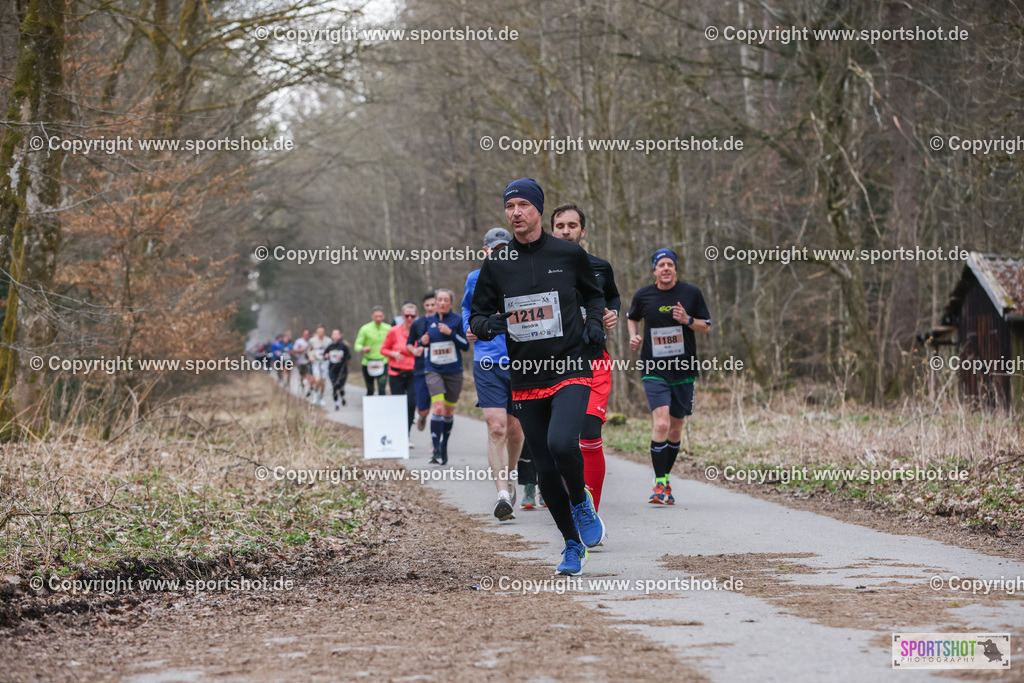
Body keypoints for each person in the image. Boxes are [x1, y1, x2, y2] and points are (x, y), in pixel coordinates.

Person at [470, 178, 606, 576]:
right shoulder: (496, 264)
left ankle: (580, 501)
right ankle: (570, 544)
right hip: (527, 375)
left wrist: (595, 323)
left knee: (562, 442)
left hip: (569, 366)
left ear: (538, 210)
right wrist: (491, 323)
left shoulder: (567, 254)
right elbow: (477, 317)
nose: (515, 213)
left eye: (523, 205)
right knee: (545, 466)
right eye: (509, 206)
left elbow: (594, 294)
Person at [626, 248, 711, 505]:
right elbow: (632, 317)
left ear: (675, 269)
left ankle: (664, 479)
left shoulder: (691, 293)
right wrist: (633, 335)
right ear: (654, 270)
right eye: (660, 264)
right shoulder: (643, 295)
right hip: (654, 369)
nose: (665, 268)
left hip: (683, 370)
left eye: (669, 264)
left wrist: (688, 319)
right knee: (661, 424)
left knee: (675, 428)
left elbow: (706, 327)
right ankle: (660, 483)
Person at [550, 203, 620, 512]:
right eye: (560, 225)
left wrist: (612, 312)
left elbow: (612, 295)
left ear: (582, 231)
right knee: (562, 443)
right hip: (555, 364)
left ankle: (590, 512)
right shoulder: (539, 268)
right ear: (552, 230)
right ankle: (571, 500)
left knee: (590, 434)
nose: (566, 231)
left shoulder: (600, 267)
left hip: (594, 361)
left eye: (572, 226)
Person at [462, 227, 525, 521]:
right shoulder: (475, 279)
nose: (499, 254)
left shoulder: (523, 275)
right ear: (484, 250)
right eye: (494, 249)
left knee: (516, 429)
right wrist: (469, 328)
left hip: (521, 361)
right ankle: (501, 493)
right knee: (497, 427)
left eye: (504, 249)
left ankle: (510, 475)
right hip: (487, 360)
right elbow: (467, 309)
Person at [420, 289, 469, 465]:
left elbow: (465, 346)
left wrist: (451, 334)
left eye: (445, 300)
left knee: (448, 411)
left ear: (450, 302)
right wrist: (421, 342)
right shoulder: (428, 321)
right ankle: (435, 450)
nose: (441, 303)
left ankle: (444, 445)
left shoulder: (457, 320)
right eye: (439, 300)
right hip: (433, 370)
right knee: (438, 408)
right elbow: (419, 342)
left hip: (454, 372)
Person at [381, 302, 418, 431]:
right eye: (406, 315)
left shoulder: (420, 331)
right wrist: (393, 353)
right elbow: (383, 349)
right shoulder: (394, 331)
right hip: (396, 373)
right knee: (398, 405)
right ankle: (398, 434)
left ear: (416, 316)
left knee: (411, 403)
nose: (409, 318)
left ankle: (406, 433)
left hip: (413, 373)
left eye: (412, 316)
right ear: (402, 316)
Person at [406, 292, 437, 431]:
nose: (430, 308)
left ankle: (436, 445)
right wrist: (415, 349)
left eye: (433, 305)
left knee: (439, 408)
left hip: (440, 369)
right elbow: (409, 344)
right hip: (421, 368)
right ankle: (423, 416)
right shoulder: (418, 323)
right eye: (427, 305)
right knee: (423, 409)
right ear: (424, 306)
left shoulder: (446, 322)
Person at [354, 306, 391, 396]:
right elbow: (357, 345)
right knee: (370, 389)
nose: (378, 318)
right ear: (372, 317)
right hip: (368, 362)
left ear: (384, 317)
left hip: (383, 362)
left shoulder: (389, 328)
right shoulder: (365, 329)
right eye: (376, 316)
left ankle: (381, 408)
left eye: (380, 316)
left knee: (382, 389)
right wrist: (363, 348)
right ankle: (370, 409)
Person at [324, 329, 351, 410]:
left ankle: (342, 397)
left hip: (342, 370)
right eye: (334, 334)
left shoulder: (343, 346)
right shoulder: (330, 346)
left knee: (340, 386)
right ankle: (336, 404)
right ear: (332, 336)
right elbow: (324, 356)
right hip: (332, 370)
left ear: (339, 336)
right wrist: (326, 356)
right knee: (335, 386)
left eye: (337, 334)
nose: (335, 336)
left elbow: (349, 357)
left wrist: (342, 357)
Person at [308, 325, 332, 406]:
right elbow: (308, 350)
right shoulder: (312, 340)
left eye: (322, 332)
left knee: (323, 382)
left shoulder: (328, 341)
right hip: (316, 362)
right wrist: (310, 356)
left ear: (324, 332)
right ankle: (315, 394)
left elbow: (331, 350)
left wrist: (328, 354)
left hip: (325, 362)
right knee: (317, 379)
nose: (320, 333)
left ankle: (321, 397)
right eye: (319, 332)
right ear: (317, 332)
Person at [291, 329, 311, 396]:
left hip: (308, 361)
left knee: (308, 375)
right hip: (300, 361)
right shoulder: (299, 341)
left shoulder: (311, 342)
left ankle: (309, 389)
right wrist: (302, 349)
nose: (306, 336)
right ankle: (302, 384)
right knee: (302, 375)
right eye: (305, 334)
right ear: (303, 334)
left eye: (307, 334)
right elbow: (294, 351)